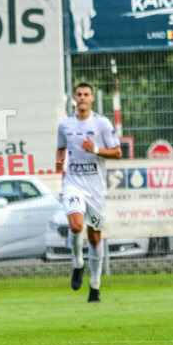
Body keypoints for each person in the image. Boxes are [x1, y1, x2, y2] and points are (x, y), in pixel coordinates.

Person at [55, 82, 121, 303]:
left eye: (86, 94)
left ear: (92, 98)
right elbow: (62, 146)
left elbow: (117, 153)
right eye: (79, 94)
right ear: (74, 98)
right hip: (73, 184)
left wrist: (95, 150)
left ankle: (95, 284)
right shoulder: (65, 125)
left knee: (94, 237)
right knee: (75, 225)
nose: (82, 98)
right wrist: (60, 157)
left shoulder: (101, 123)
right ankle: (77, 264)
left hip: (95, 187)